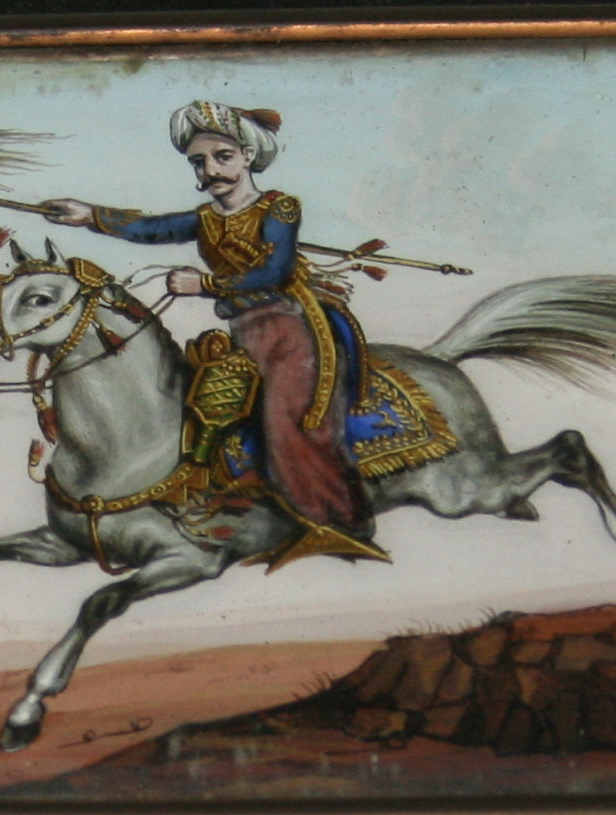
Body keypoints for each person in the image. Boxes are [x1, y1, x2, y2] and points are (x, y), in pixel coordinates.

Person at [45, 102, 384, 565]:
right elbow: (151, 228)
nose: (211, 170)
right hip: (245, 332)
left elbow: (275, 271)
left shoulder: (280, 208)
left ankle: (341, 524)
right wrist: (89, 215)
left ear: (247, 156)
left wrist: (204, 284)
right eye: (199, 161)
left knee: (289, 425)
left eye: (223, 157)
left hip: (291, 332)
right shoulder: (205, 218)